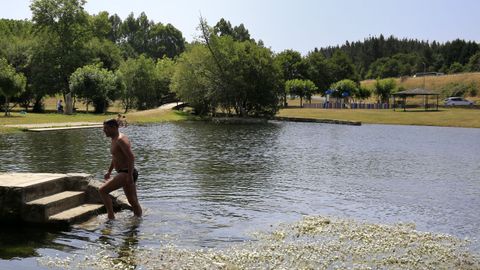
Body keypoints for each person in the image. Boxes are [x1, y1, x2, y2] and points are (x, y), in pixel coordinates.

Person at [99, 119, 142, 219]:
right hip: (125, 173)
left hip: (127, 173)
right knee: (133, 201)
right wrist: (109, 171)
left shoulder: (121, 140)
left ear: (114, 128)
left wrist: (130, 175)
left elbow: (131, 157)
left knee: (102, 191)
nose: (104, 130)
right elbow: (115, 157)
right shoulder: (114, 139)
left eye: (106, 128)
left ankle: (110, 217)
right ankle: (138, 219)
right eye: (103, 128)